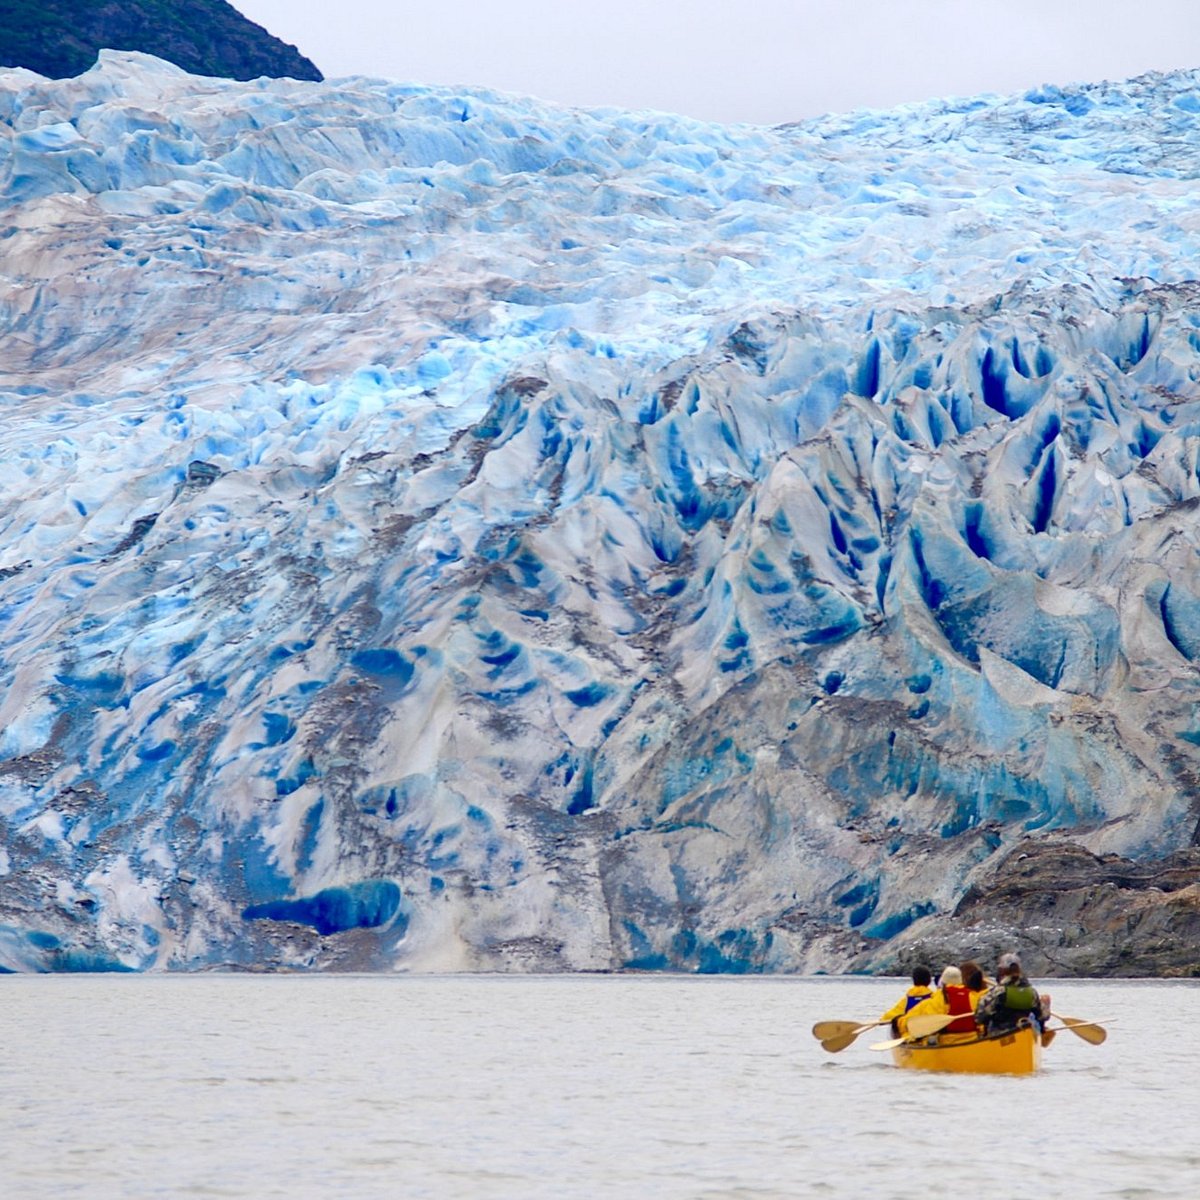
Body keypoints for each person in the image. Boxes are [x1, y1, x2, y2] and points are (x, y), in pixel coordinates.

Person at [898, 964, 978, 1042]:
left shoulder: (938, 998)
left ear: (943, 982)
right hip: (972, 1037)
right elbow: (979, 1020)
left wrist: (899, 1023)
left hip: (947, 1040)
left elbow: (929, 1023)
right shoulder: (972, 996)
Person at [974, 953, 1049, 1036]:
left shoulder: (997, 992)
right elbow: (1043, 1016)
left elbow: (979, 1017)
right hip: (1023, 1031)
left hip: (999, 1034)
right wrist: (1046, 1005)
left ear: (1001, 971)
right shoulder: (1031, 992)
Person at [879, 966, 935, 1036]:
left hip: (911, 1033)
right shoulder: (934, 997)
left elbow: (888, 1016)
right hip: (930, 1031)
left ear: (914, 981)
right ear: (929, 981)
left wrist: (881, 1021)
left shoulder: (906, 1001)